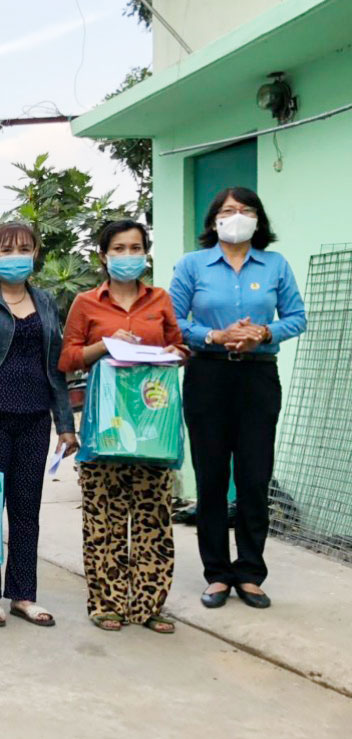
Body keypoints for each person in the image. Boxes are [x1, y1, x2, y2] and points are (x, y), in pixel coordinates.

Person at [170, 187, 306, 610]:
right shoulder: (192, 265)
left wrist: (263, 332)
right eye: (228, 210)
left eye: (246, 210)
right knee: (211, 478)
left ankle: (249, 572)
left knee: (254, 476)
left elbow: (297, 317)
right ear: (214, 220)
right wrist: (214, 335)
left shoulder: (275, 264)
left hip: (258, 376)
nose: (237, 216)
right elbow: (172, 320)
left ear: (258, 219)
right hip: (207, 375)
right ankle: (216, 573)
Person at [59, 220, 185, 633]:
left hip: (152, 425)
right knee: (104, 518)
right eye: (119, 248)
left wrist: (169, 352)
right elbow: (68, 358)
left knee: (152, 517)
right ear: (104, 255)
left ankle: (149, 605)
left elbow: (180, 347)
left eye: (135, 248)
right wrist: (107, 344)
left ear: (145, 254)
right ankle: (106, 604)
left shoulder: (160, 299)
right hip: (105, 426)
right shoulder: (86, 303)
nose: (128, 255)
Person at [0, 222, 78, 628]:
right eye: (7, 249)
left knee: (26, 510)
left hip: (34, 418)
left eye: (24, 248)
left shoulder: (45, 300)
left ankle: (23, 595)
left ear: (36, 253)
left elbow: (56, 367)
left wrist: (65, 423)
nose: (15, 256)